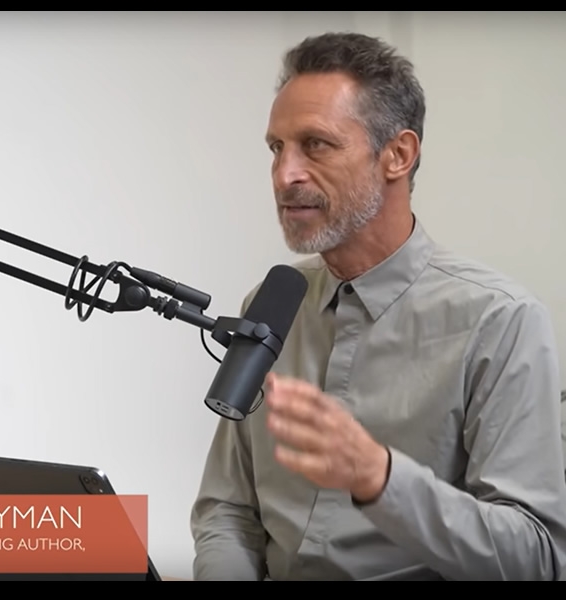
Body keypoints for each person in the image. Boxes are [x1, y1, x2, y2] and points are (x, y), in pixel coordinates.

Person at [189, 31, 566, 581]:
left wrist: (381, 479)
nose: (284, 174)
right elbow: (227, 509)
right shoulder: (271, 302)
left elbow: (536, 557)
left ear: (398, 154)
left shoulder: (500, 320)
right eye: (276, 147)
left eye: (315, 144)